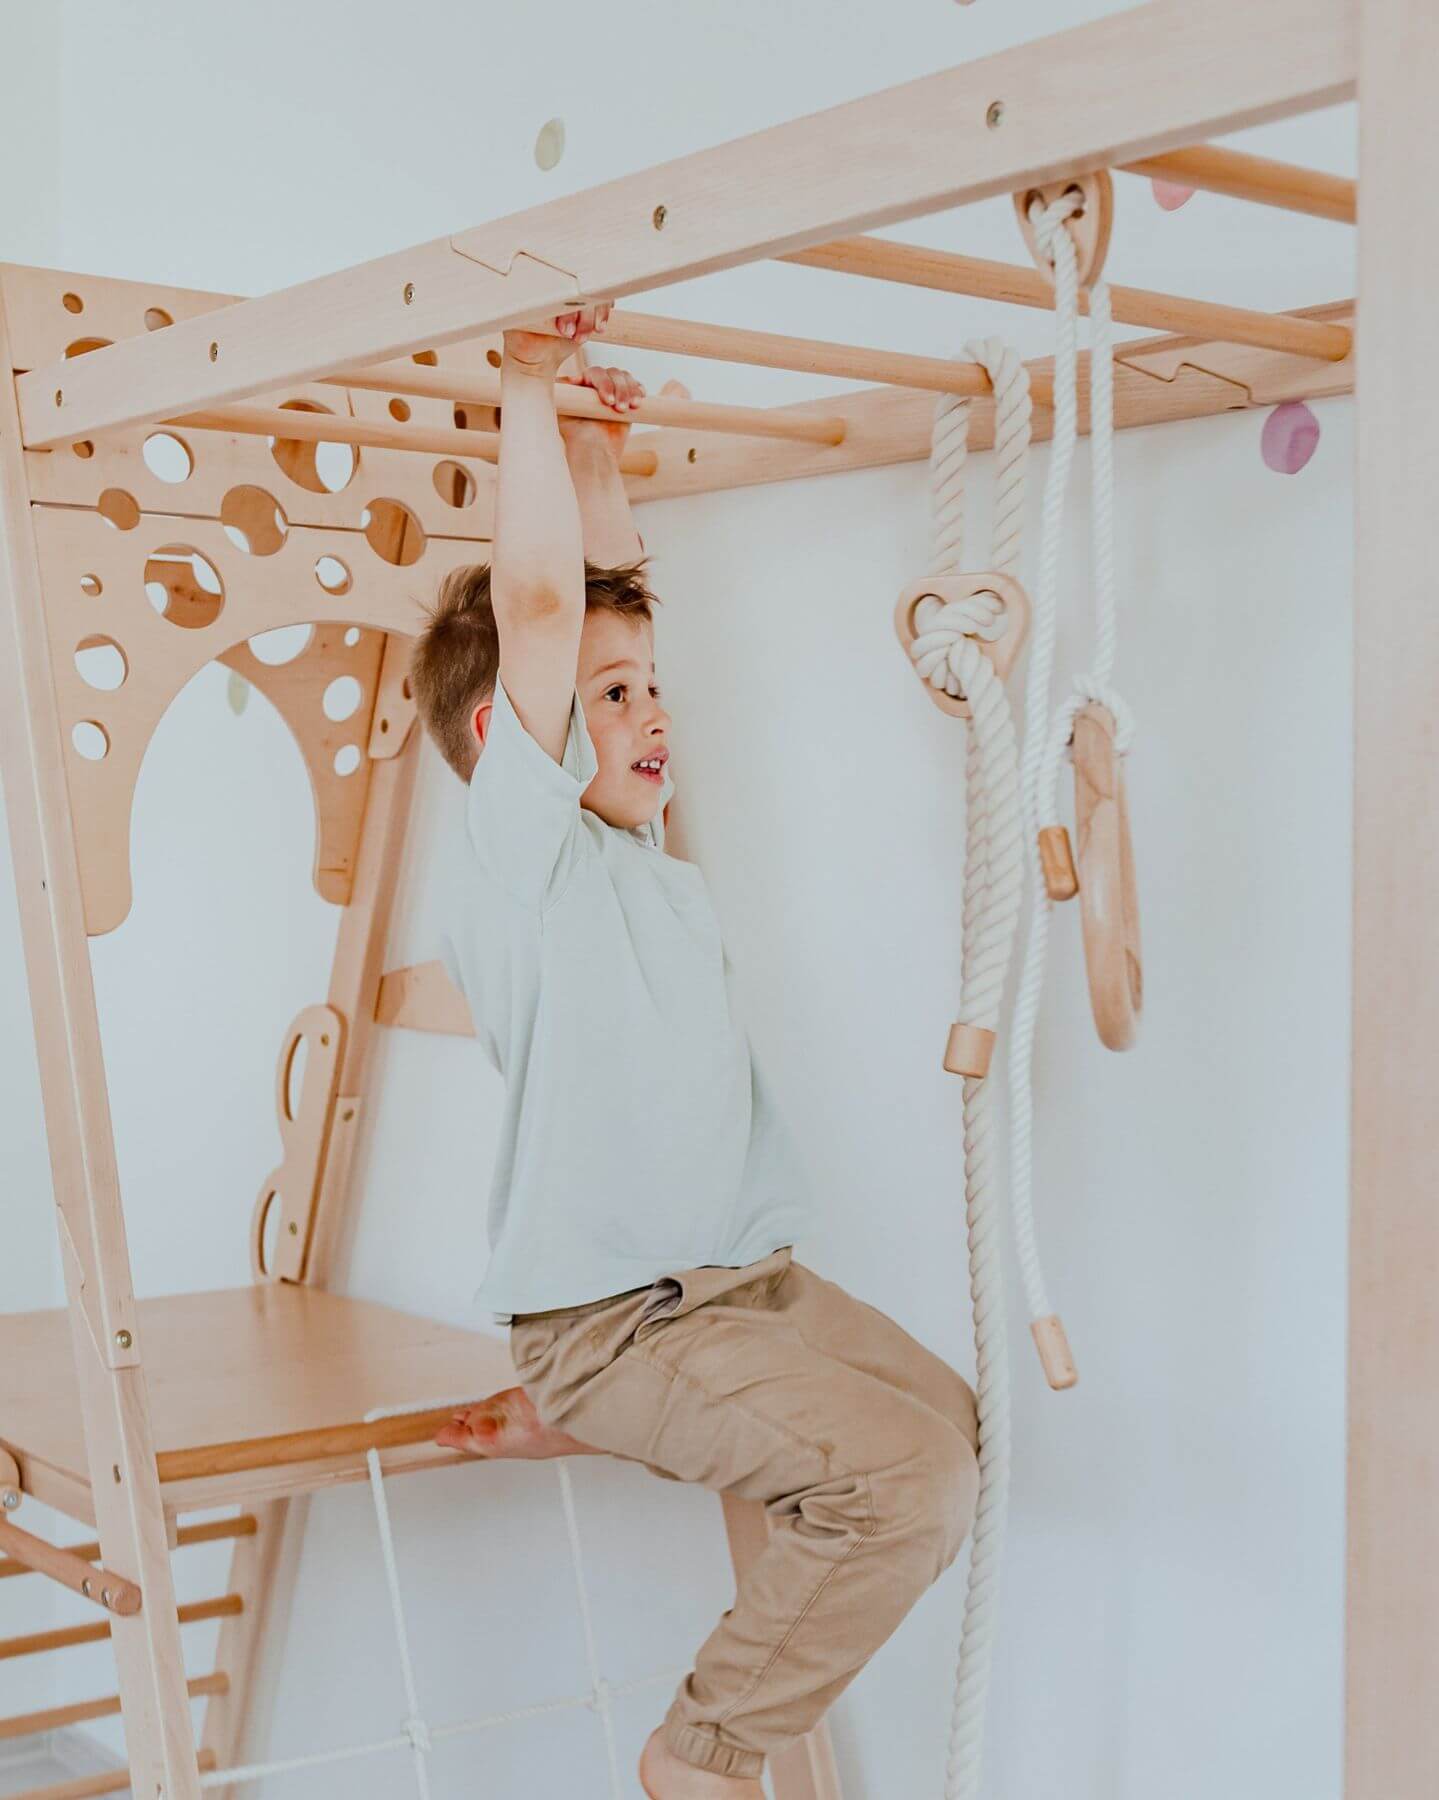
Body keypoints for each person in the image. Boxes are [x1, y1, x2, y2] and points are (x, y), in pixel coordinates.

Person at [408, 307, 979, 1799]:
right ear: (505, 739)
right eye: (613, 699)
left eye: (654, 687)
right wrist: (525, 394)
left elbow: (594, 598)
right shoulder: (520, 854)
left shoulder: (635, 851)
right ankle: (702, 1751)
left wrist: (599, 448)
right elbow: (544, 611)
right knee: (905, 1487)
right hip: (625, 1320)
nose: (653, 713)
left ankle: (575, 1422)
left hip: (742, 1286)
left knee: (950, 1432)